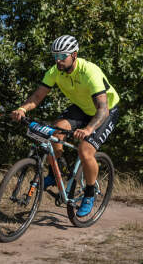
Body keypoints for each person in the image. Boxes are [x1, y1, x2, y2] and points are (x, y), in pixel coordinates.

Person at [11, 35, 120, 217]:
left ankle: (90, 193)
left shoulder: (89, 72)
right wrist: (22, 109)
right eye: (55, 56)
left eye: (62, 56)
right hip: (82, 107)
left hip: (106, 110)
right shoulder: (55, 71)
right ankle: (56, 173)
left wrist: (88, 129)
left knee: (85, 151)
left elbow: (102, 109)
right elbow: (37, 97)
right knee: (54, 132)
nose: (58, 60)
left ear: (74, 55)